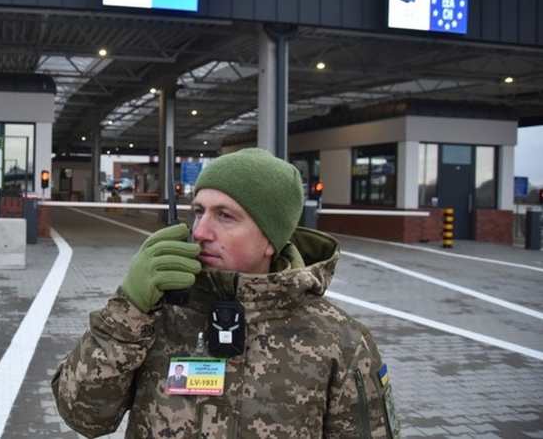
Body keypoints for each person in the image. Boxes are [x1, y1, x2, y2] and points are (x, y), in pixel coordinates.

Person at [52, 148, 400, 438]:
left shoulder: (341, 341)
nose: (200, 231)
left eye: (225, 216)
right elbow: (84, 417)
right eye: (198, 211)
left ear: (270, 239)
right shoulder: (157, 313)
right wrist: (128, 307)